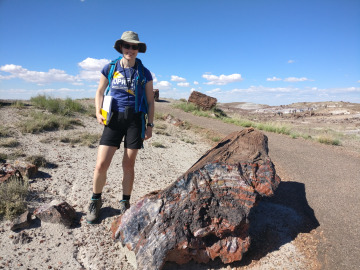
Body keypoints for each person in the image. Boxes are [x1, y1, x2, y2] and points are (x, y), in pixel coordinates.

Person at [86, 31, 154, 223]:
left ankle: (125, 202)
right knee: (101, 165)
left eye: (134, 47)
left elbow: (150, 101)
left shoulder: (144, 73)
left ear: (138, 50)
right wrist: (98, 112)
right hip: (113, 119)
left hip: (135, 120)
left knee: (128, 165)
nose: (130, 50)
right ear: (121, 47)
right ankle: (95, 200)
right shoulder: (110, 67)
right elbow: (99, 91)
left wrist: (149, 125)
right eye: (127, 46)